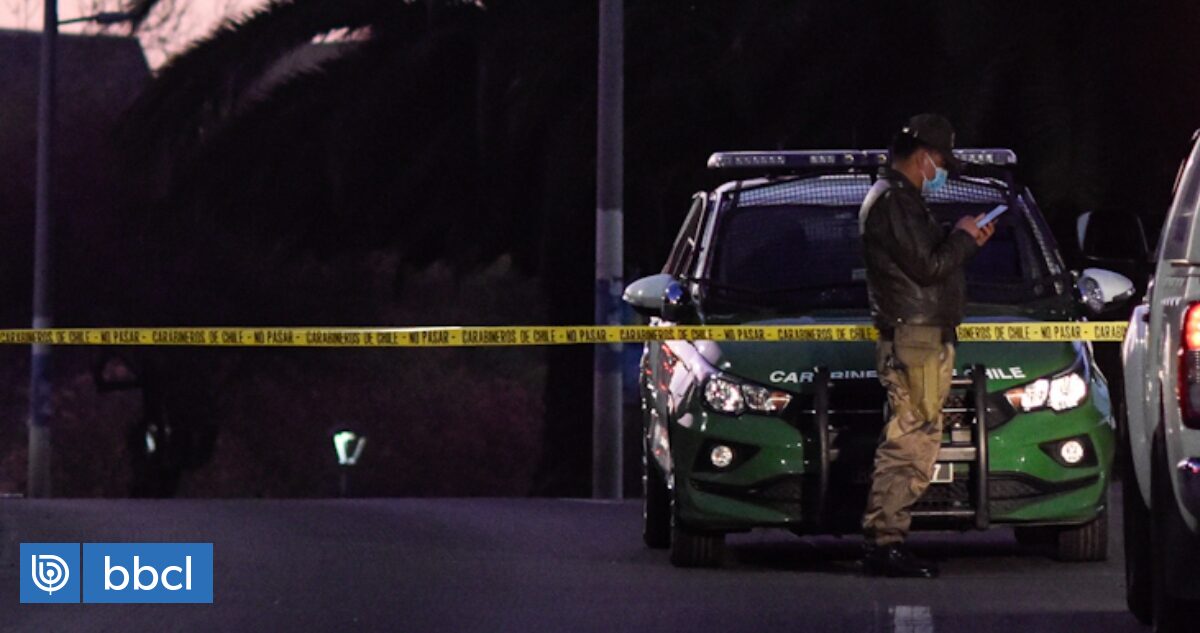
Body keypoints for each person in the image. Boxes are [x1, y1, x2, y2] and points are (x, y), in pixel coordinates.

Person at [857, 113, 995, 578]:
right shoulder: (894, 203)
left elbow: (926, 259)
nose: (944, 172)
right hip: (915, 338)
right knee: (911, 441)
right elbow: (928, 265)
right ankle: (885, 541)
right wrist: (963, 240)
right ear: (923, 158)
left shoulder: (900, 201)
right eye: (942, 162)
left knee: (915, 436)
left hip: (921, 334)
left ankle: (888, 538)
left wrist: (962, 238)